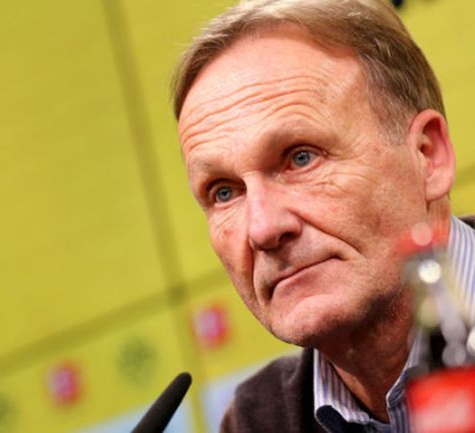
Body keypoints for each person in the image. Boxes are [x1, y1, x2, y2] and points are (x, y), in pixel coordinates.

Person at [171, 0, 475, 432]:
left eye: (301, 158)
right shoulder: (257, 423)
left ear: (428, 157)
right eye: (224, 192)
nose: (263, 228)